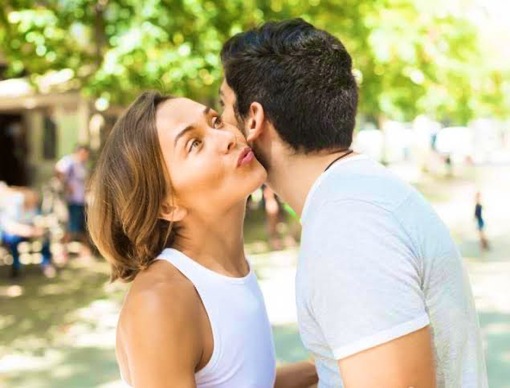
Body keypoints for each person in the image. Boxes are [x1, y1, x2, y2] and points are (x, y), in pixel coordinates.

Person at [219, 19, 488, 387]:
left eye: (222, 106)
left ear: (254, 119)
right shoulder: (355, 197)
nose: (219, 127)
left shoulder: (348, 224)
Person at [87, 92, 317, 387]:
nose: (228, 138)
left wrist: (328, 365)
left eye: (216, 121)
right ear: (167, 205)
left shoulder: (231, 267)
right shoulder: (161, 302)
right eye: (194, 143)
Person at [0, 184, 53, 278]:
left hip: (28, 231)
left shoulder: (33, 206)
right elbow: (8, 225)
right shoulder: (14, 205)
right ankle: (16, 267)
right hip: (14, 233)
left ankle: (46, 264)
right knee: (12, 240)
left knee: (45, 237)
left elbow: (35, 220)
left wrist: (39, 228)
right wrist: (28, 231)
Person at [55, 144, 91, 259]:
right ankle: (62, 252)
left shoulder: (82, 165)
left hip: (81, 200)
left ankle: (84, 252)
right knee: (71, 227)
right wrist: (66, 186)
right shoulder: (69, 162)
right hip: (71, 201)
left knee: (82, 227)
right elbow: (57, 171)